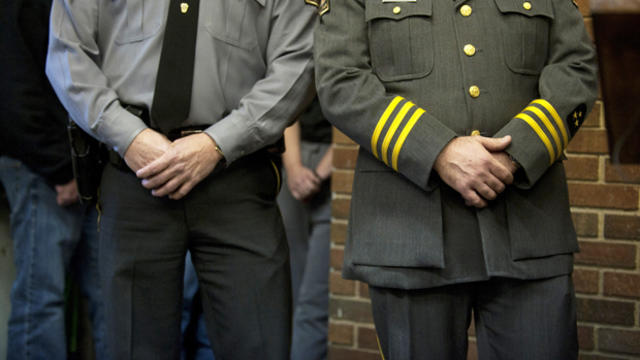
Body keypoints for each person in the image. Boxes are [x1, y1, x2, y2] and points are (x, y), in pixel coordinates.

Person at [314, 0, 598, 358]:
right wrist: (437, 151)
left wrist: (515, 155)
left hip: (529, 227)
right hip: (410, 232)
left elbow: (576, 69)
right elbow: (341, 80)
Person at [46, 0, 316, 358]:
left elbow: (300, 59)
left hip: (237, 176)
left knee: (259, 343)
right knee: (133, 347)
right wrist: (128, 136)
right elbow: (68, 55)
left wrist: (218, 144)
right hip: (136, 176)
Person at [0, 0, 106, 358]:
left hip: (88, 166)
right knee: (40, 300)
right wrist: (64, 169)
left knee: (110, 298)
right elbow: (13, 95)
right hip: (41, 167)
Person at [277, 98, 332, 360]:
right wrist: (295, 170)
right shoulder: (304, 56)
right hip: (291, 156)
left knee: (314, 300)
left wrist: (319, 175)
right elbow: (290, 107)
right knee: (287, 288)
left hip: (334, 167)